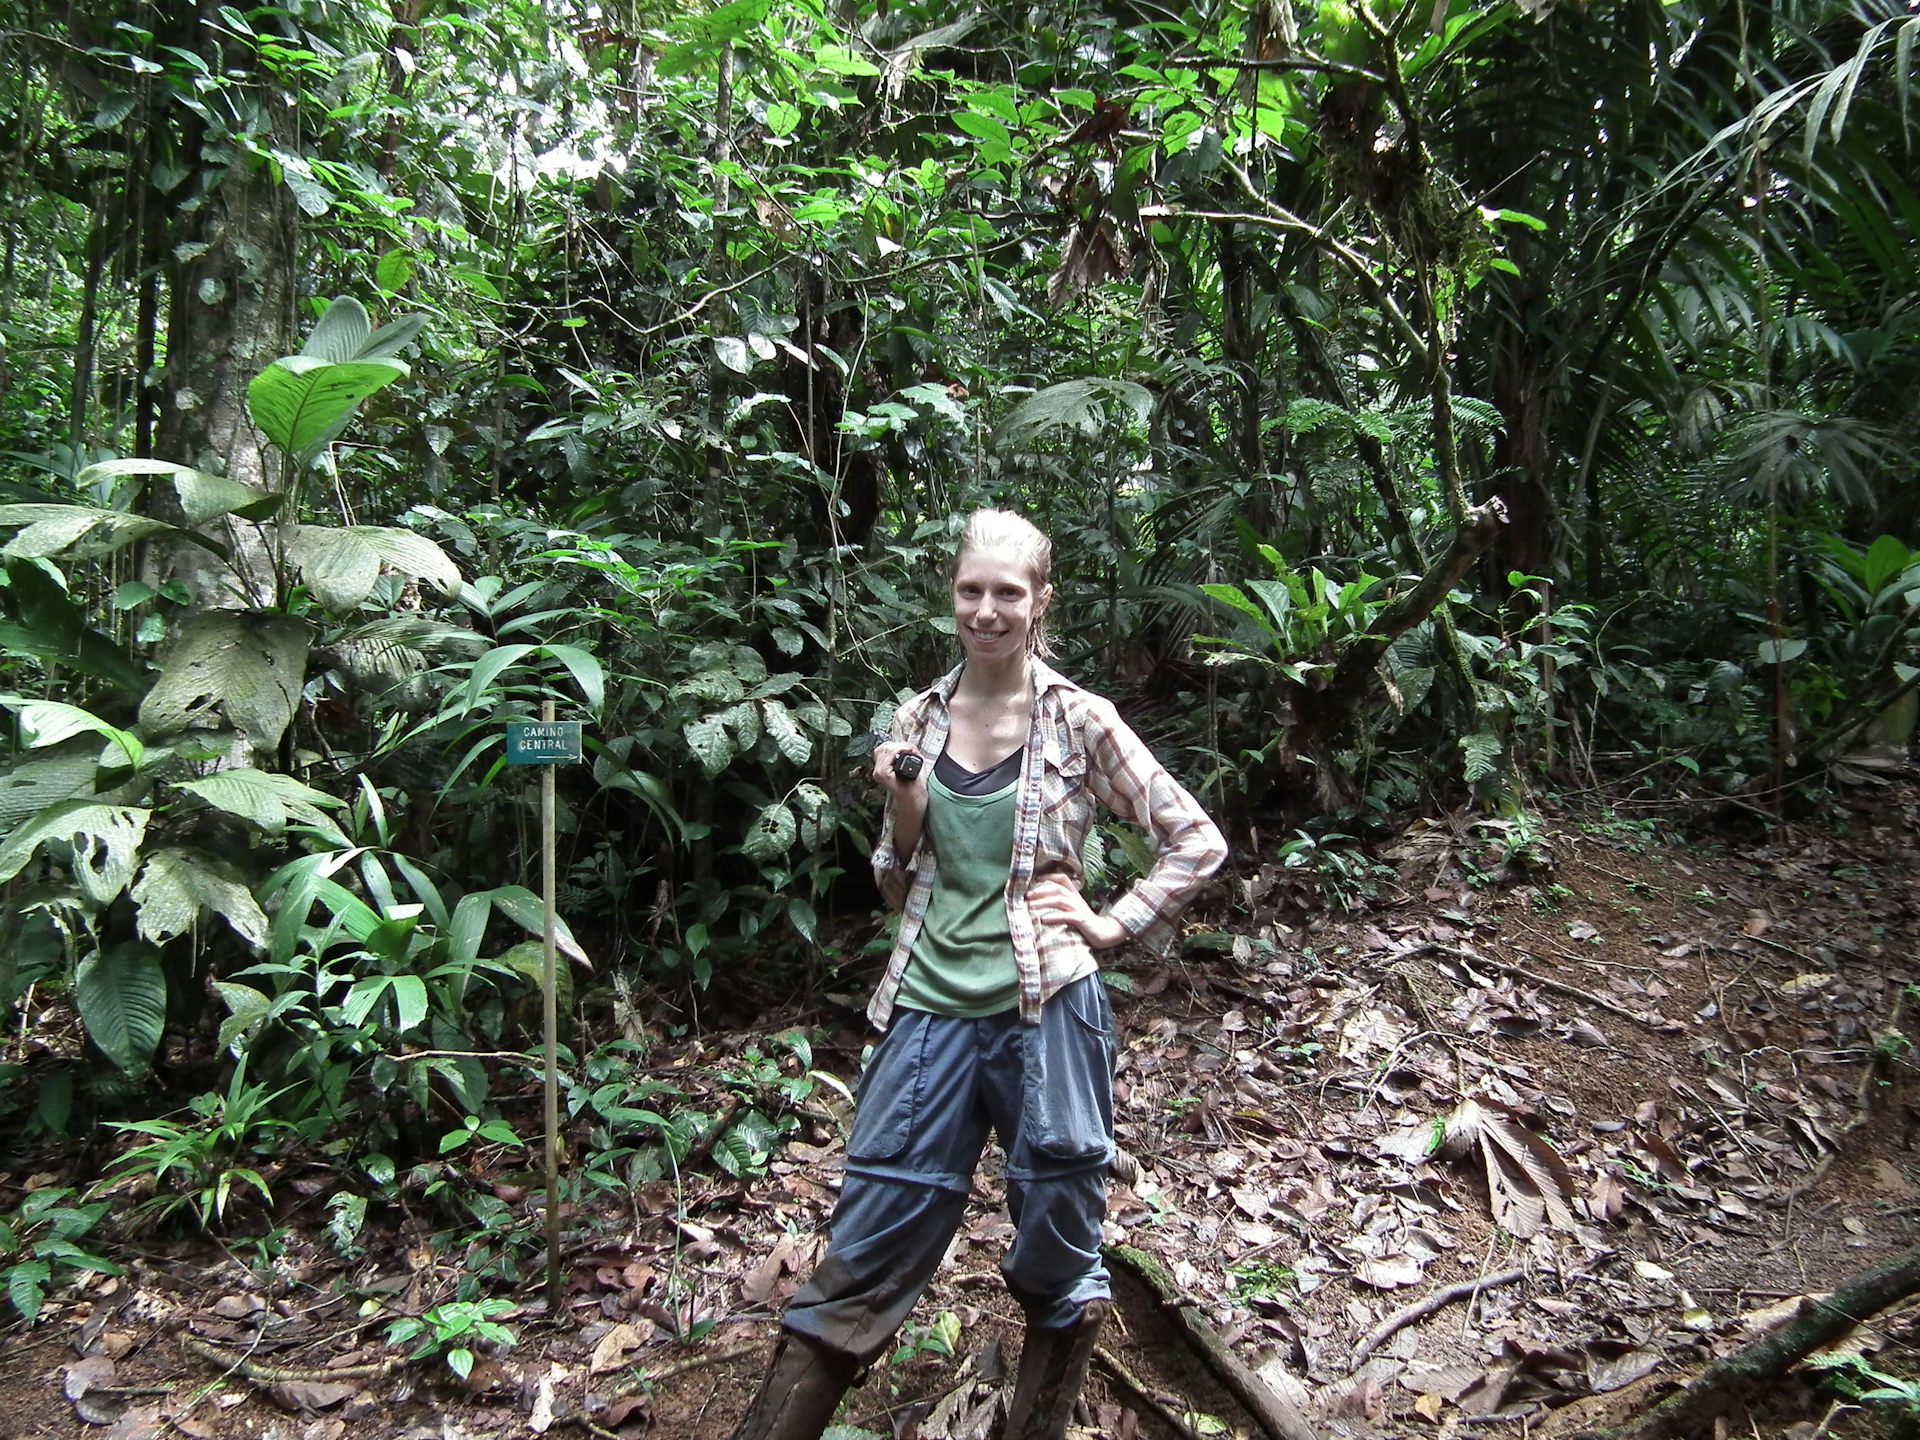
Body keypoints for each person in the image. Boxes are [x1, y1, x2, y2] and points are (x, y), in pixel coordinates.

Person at [732, 509, 1228, 1440]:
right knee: (870, 1237)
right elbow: (893, 881)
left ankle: (1039, 1414)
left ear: (1041, 601)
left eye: (1008, 592)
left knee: (1058, 1230)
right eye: (972, 590)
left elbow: (1195, 840)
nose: (987, 610)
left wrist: (1110, 921)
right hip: (927, 1006)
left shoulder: (1083, 720)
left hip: (1050, 1011)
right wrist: (908, 801)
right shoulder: (917, 717)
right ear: (951, 595)